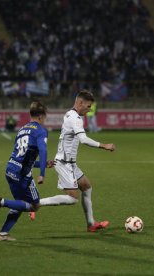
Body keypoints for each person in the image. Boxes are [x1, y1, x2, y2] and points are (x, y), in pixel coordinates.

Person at [31, 90, 116, 232]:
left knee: (87, 187)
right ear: (80, 103)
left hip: (69, 163)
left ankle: (91, 224)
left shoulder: (70, 114)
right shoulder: (75, 118)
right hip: (64, 163)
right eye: (88, 106)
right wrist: (104, 146)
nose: (89, 110)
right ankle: (35, 204)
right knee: (73, 199)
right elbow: (83, 140)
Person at [0, 101, 53, 241]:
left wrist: (42, 164)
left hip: (10, 168)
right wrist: (42, 173)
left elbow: (22, 156)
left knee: (20, 202)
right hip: (21, 174)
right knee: (35, 205)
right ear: (42, 116)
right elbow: (43, 150)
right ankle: (1, 202)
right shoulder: (41, 131)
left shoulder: (22, 129)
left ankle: (3, 234)